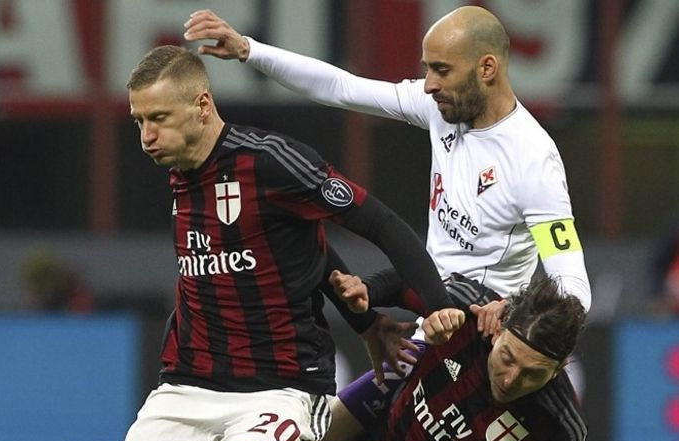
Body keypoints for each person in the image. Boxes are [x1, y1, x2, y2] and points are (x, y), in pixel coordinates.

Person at [104, 45, 453, 441]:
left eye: (158, 118)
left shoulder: (269, 161)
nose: (146, 137)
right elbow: (300, 247)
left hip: (281, 385)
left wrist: (439, 308)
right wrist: (366, 324)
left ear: (202, 105)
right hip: (188, 382)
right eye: (139, 121)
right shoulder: (181, 169)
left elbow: (382, 223)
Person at [183, 5, 592, 340]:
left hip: (480, 333)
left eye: (442, 70)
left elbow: (574, 290)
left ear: (487, 69)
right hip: (434, 308)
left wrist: (516, 310)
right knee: (345, 414)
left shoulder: (533, 161)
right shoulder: (440, 111)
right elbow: (341, 88)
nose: (428, 85)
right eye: (427, 69)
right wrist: (249, 50)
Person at [245, 273, 588, 441]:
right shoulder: (463, 310)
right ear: (498, 330)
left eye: (533, 374)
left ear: (560, 368)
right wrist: (367, 299)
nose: (511, 379)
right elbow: (400, 283)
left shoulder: (561, 428)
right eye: (507, 358)